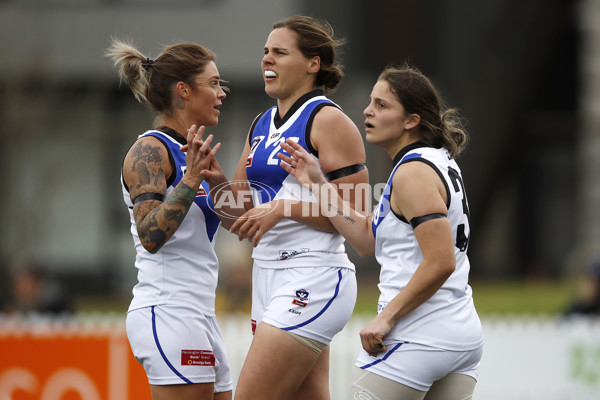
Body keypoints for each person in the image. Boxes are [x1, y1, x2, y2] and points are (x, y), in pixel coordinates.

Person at [278, 64, 484, 400]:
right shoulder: (431, 161)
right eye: (371, 102)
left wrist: (385, 318)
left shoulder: (413, 172)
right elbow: (365, 239)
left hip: (418, 336)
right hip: (459, 335)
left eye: (381, 105)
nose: (367, 111)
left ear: (411, 120)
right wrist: (318, 183)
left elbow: (441, 261)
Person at [204, 15, 369, 400]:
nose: (267, 60)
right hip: (267, 276)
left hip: (313, 274)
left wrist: (284, 209)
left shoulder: (327, 120)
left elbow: (361, 218)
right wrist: (213, 182)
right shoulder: (260, 124)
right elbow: (239, 217)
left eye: (279, 52)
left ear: (313, 64)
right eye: (265, 52)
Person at [105, 38, 232, 400]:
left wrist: (221, 186)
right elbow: (150, 235)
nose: (221, 93)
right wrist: (191, 180)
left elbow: (243, 227)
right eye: (214, 83)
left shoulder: (192, 153)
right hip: (169, 311)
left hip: (199, 313)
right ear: (183, 90)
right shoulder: (149, 150)